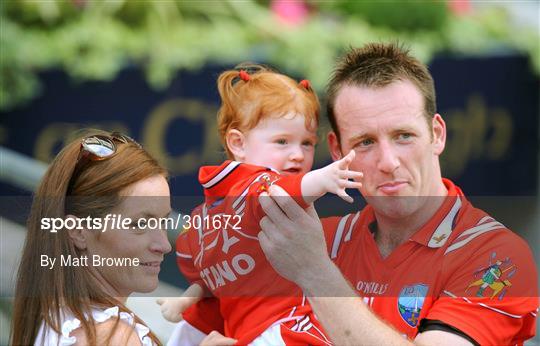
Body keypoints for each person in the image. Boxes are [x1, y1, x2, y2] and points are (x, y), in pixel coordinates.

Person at [171, 43, 538, 346]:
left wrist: (315, 272)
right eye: (365, 143)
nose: (388, 162)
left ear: (437, 134)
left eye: (403, 136)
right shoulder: (317, 238)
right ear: (335, 150)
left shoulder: (496, 257)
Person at [160, 64, 362, 345]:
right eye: (282, 141)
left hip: (276, 327)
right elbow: (279, 191)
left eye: (307, 143)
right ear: (238, 144)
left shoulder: (209, 212)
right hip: (279, 327)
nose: (297, 154)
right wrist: (325, 177)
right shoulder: (254, 188)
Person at [10, 130, 172, 345]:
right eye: (140, 224)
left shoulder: (56, 319)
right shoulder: (113, 337)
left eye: (163, 222)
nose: (165, 245)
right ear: (77, 231)